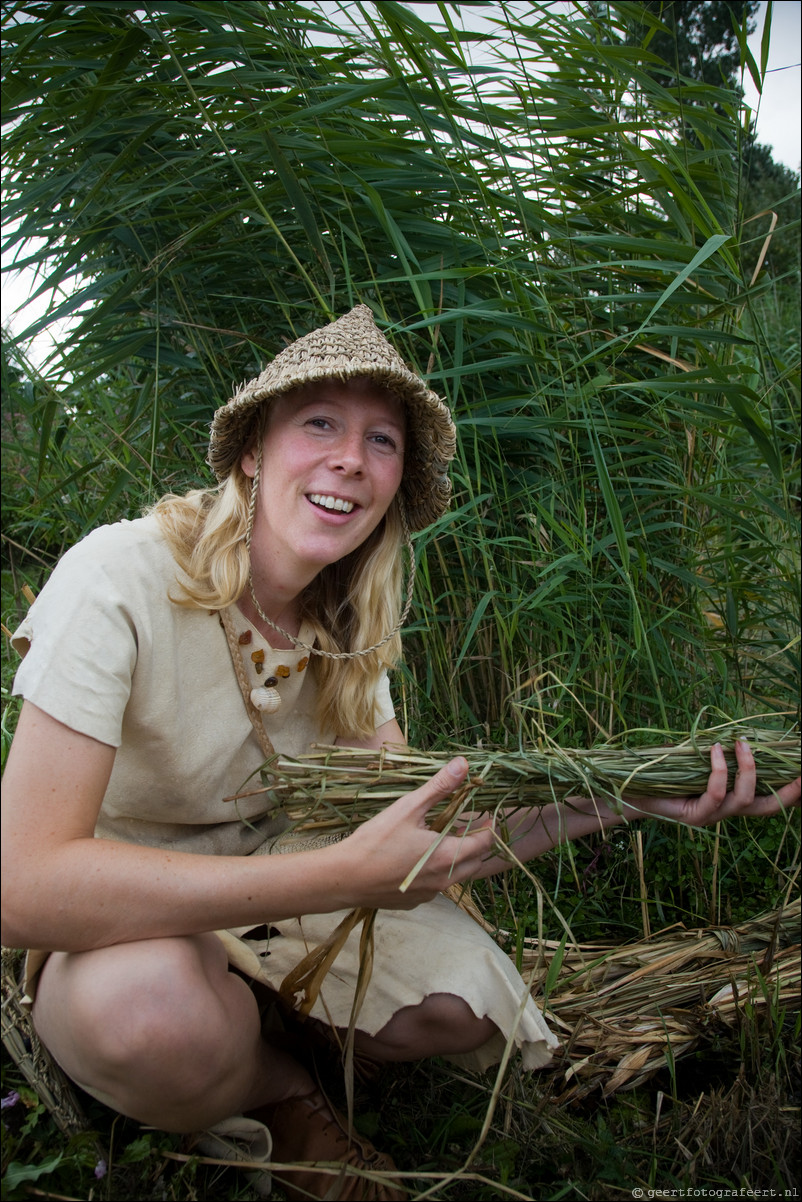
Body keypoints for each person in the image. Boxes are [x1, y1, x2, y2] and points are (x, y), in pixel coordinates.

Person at [1, 305, 799, 1202]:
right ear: (252, 452)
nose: (351, 457)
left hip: (274, 910)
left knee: (454, 1005)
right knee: (148, 1018)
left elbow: (434, 838)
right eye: (320, 423)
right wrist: (342, 877)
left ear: (394, 483)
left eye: (381, 440)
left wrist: (630, 799)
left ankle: (263, 1031)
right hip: (124, 928)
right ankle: (283, 1090)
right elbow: (21, 890)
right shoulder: (119, 578)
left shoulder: (347, 625)